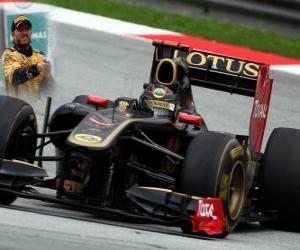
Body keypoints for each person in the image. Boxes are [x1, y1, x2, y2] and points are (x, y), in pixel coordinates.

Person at [1, 15, 52, 101]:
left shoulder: (40, 56)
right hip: (16, 109)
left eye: (27, 29)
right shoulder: (9, 54)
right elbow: (15, 77)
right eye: (20, 30)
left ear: (31, 32)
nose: (24, 33)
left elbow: (48, 91)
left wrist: (49, 75)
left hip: (36, 110)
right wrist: (37, 68)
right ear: (13, 35)